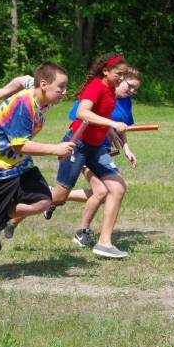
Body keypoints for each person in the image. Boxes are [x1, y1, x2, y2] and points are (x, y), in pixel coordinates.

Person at [0, 62, 75, 281]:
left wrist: (1, 92)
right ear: (44, 84)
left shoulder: (39, 92)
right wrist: (55, 148)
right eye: (61, 88)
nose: (64, 93)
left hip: (17, 164)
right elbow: (20, 145)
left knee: (43, 201)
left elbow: (21, 79)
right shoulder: (24, 106)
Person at [41, 66, 141, 248]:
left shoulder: (126, 103)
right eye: (130, 86)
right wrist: (109, 126)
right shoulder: (98, 92)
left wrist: (126, 148)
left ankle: (56, 202)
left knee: (106, 191)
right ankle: (80, 229)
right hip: (81, 145)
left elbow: (122, 127)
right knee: (101, 192)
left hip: (101, 150)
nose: (131, 91)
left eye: (135, 89)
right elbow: (82, 117)